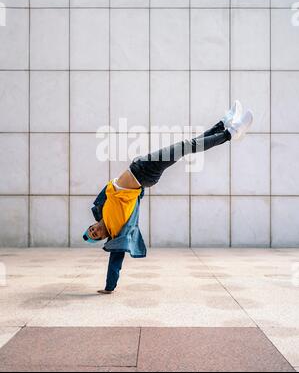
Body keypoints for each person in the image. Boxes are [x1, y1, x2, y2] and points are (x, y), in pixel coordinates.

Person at [83, 101, 253, 294]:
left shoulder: (100, 211)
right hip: (143, 173)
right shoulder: (117, 235)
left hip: (138, 167)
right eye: (95, 235)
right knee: (185, 147)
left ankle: (223, 124)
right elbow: (115, 263)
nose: (94, 230)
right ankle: (231, 133)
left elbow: (110, 194)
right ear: (103, 238)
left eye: (91, 230)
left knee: (186, 147)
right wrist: (109, 287)